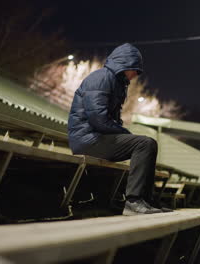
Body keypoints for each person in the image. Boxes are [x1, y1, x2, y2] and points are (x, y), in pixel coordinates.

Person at [68, 43, 169, 215]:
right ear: (125, 64)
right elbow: (98, 119)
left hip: (97, 137)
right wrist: (125, 134)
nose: (136, 74)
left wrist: (122, 133)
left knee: (147, 145)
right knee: (144, 144)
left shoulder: (117, 82)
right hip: (87, 139)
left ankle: (146, 200)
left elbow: (109, 119)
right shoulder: (101, 78)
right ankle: (133, 201)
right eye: (135, 69)